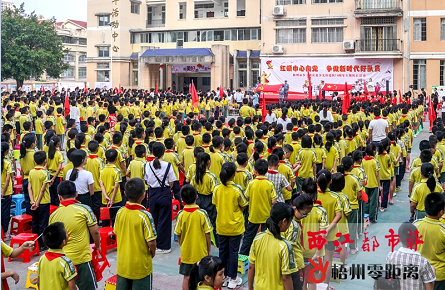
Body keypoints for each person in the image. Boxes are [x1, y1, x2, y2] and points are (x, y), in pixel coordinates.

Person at [49, 180, 100, 290]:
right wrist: (97, 245)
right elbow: (95, 231)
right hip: (81, 259)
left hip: (61, 260)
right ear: (76, 194)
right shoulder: (84, 210)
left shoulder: (53, 215)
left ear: (59, 197)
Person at [114, 178, 157, 290]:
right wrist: (152, 253)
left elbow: (117, 233)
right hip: (140, 267)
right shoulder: (145, 216)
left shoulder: (120, 212)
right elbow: (151, 242)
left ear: (124, 193)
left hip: (123, 265)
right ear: (144, 195)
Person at [212, 162, 248, 289]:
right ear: (234, 174)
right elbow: (243, 205)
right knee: (233, 252)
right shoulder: (237, 189)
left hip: (221, 225)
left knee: (223, 251)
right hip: (235, 226)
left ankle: (224, 277)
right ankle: (233, 278)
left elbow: (215, 203)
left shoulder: (217, 188)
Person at [248, 202, 296, 290]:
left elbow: (251, 266)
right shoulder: (285, 246)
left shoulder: (257, 239)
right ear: (284, 221)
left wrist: (250, 288)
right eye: (290, 221)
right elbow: (286, 277)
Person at [174, 184, 213, 290]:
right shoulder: (202, 214)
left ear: (182, 199)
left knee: (187, 277)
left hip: (186, 253)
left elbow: (178, 234)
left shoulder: (180, 214)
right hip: (201, 253)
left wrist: (183, 246)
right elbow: (207, 234)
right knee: (201, 279)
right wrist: (208, 251)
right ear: (197, 196)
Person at [239, 159, 277, 256]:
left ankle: (243, 257)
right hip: (266, 216)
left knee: (248, 237)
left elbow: (246, 197)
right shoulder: (270, 184)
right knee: (266, 238)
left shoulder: (251, 183)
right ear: (267, 170)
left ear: (255, 171)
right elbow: (273, 201)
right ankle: (263, 256)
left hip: (253, 215)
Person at [144, 142, 176, 254]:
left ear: (152, 152)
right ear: (163, 153)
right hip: (165, 193)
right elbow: (171, 181)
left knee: (154, 219)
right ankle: (163, 246)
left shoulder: (147, 165)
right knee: (165, 220)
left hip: (152, 193)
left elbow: (147, 180)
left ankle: (154, 243)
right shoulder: (168, 165)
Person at [385, 222, 436, 290]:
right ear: (418, 238)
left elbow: (388, 279)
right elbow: (429, 288)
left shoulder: (391, 256)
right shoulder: (423, 262)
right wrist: (433, 271)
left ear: (399, 239)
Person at [281, 194, 313, 290]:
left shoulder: (290, 221)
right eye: (304, 214)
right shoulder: (293, 226)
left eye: (307, 214)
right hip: (294, 264)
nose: (305, 216)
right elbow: (288, 246)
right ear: (295, 208)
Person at [414, 192, 445, 290]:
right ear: (441, 212)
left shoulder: (415, 225)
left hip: (418, 272)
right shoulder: (443, 230)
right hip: (439, 277)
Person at [37, 222, 77, 290]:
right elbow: (72, 287)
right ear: (64, 241)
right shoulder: (65, 262)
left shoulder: (42, 259)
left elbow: (38, 282)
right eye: (66, 233)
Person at [28, 151, 51, 251]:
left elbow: (29, 188)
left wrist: (33, 201)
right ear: (45, 160)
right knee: (43, 223)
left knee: (35, 222)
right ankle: (42, 244)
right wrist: (37, 202)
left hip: (33, 202)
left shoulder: (31, 172)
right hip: (43, 202)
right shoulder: (45, 173)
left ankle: (33, 243)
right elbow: (43, 189)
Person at [20, 133, 37, 215]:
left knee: (27, 201)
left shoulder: (22, 155)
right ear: (32, 144)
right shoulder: (34, 155)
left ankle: (28, 218)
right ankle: (33, 219)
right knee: (34, 200)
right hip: (33, 180)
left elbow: (22, 170)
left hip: (25, 180)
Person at [1, 142, 14, 240]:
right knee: (5, 213)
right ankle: (5, 234)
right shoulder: (7, 163)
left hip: (3, 192)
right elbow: (7, 179)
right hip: (6, 192)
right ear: (6, 151)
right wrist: (3, 192)